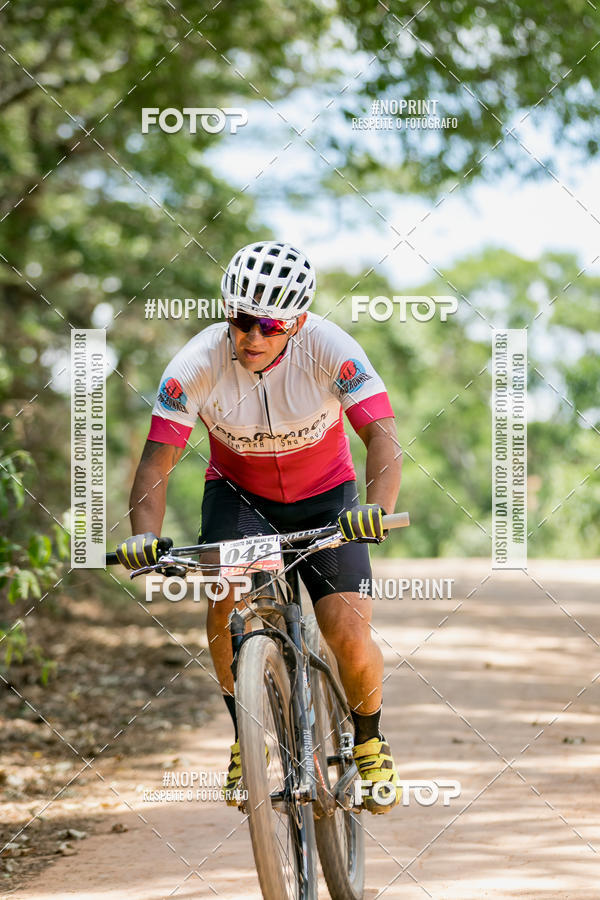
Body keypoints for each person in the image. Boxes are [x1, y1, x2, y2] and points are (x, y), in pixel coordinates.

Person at [115, 240, 403, 813]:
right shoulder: (195, 364)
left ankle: (369, 742)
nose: (252, 337)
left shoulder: (332, 349)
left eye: (270, 325)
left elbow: (382, 437)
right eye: (242, 320)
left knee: (346, 630)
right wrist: (143, 536)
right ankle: (246, 737)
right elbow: (156, 463)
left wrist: (374, 506)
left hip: (327, 498)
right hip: (239, 497)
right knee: (223, 600)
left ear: (296, 321)